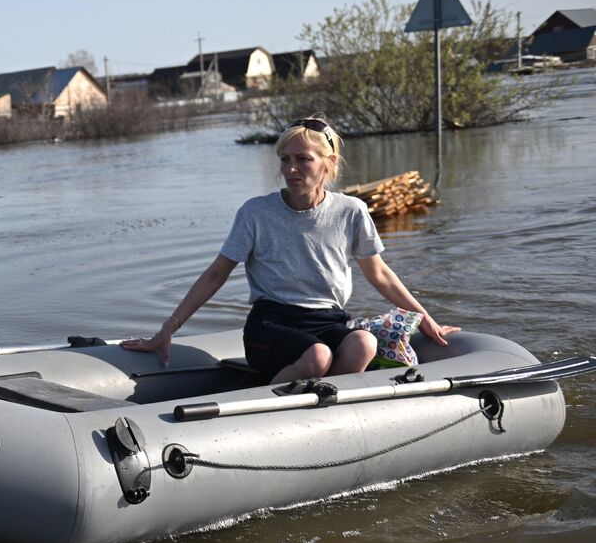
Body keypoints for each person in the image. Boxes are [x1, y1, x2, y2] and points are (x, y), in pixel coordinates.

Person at [122, 115, 458, 383]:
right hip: (270, 325)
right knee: (318, 357)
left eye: (303, 159)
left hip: (328, 321)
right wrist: (167, 329)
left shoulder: (351, 211)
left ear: (329, 163)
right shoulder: (256, 213)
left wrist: (426, 319)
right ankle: (268, 407)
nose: (290, 169)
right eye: (285, 159)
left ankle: (326, 410)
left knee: (363, 343)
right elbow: (215, 275)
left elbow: (380, 274)